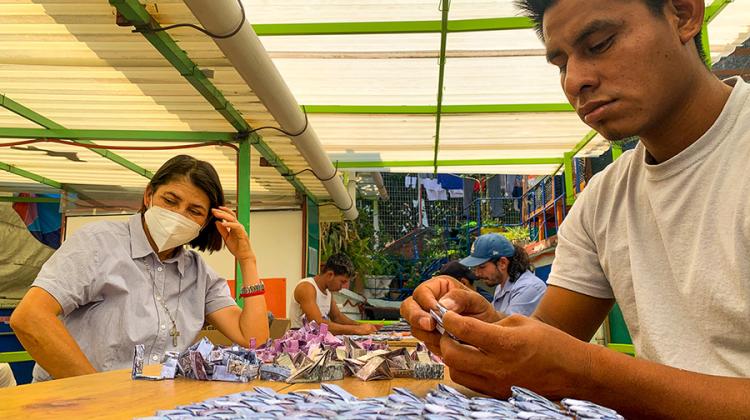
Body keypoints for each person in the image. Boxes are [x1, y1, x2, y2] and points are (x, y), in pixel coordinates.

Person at [401, 0, 750, 417]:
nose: (576, 81)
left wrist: (589, 373)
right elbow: (547, 343)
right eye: (560, 63)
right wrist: (477, 326)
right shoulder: (604, 198)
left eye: (600, 44)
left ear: (683, 13)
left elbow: (570, 365)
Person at [10, 155, 270, 381]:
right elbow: (30, 317)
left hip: (146, 407)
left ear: (206, 222)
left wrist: (247, 259)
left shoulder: (198, 274)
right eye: (170, 201)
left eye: (194, 211)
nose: (179, 215)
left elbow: (254, 340)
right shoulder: (98, 244)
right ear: (148, 195)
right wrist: (95, 394)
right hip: (71, 406)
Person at [290, 253, 379, 335]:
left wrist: (361, 326)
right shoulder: (306, 287)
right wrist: (356, 329)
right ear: (330, 275)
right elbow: (317, 324)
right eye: (342, 282)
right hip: (300, 345)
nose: (342, 287)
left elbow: (337, 317)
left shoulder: (327, 292)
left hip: (316, 343)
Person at [459, 234, 546, 316]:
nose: (477, 274)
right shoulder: (500, 287)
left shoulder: (528, 288)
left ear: (502, 263)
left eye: (482, 267)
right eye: (475, 268)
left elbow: (508, 328)